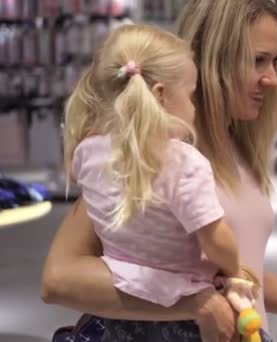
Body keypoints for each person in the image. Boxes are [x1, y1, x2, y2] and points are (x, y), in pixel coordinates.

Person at [41, 1, 277, 341]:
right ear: (213, 60)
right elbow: (60, 278)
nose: (273, 79)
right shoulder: (153, 152)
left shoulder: (237, 148)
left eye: (276, 60)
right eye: (258, 60)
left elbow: (238, 275)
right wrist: (191, 304)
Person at [61, 23, 263, 341]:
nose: (194, 107)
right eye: (191, 95)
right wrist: (234, 268)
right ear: (161, 95)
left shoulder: (87, 152)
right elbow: (216, 240)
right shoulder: (182, 162)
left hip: (121, 313)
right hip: (187, 314)